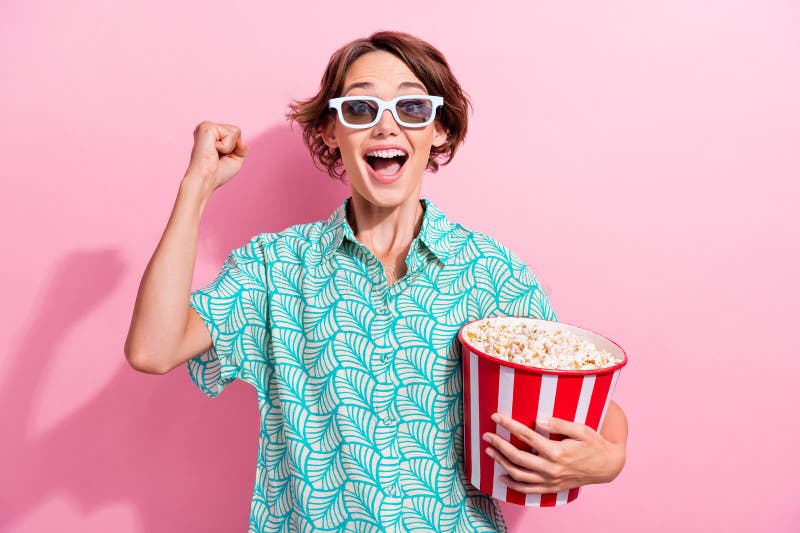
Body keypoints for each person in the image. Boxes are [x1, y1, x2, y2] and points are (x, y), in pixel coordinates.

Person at [124, 31, 628, 533]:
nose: (386, 126)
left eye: (412, 108)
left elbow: (588, 405)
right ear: (329, 131)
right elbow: (153, 349)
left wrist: (609, 460)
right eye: (361, 108)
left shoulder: (491, 273)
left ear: (441, 131)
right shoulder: (276, 267)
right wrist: (196, 188)